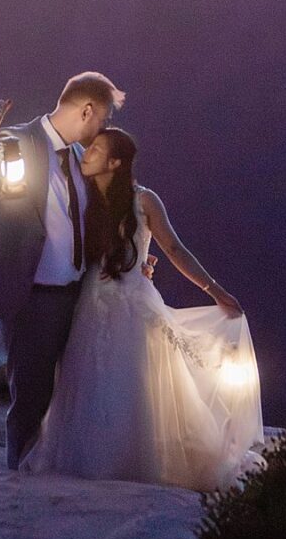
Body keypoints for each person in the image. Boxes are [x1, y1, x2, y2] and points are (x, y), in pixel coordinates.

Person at [18, 126, 267, 490]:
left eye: (97, 150)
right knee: (88, 378)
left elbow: (175, 249)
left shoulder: (143, 200)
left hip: (131, 302)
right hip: (89, 301)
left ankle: (129, 462)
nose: (87, 153)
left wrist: (214, 290)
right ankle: (93, 462)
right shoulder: (82, 198)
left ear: (115, 162)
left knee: (128, 380)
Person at [0, 72, 124, 469]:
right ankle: (21, 483)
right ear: (86, 110)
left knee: (76, 395)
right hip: (32, 298)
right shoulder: (15, 142)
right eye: (101, 119)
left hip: (80, 296)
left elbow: (95, 222)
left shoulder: (85, 158)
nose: (104, 129)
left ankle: (59, 477)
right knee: (31, 396)